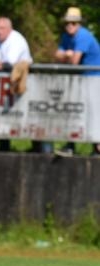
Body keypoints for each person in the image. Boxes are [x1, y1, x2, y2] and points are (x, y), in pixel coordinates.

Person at [54, 7, 100, 157]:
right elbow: (57, 55)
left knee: (93, 114)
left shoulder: (83, 36)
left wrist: (67, 55)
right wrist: (68, 55)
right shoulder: (67, 36)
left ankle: (97, 148)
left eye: (73, 22)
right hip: (82, 80)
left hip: (95, 79)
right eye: (67, 22)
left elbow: (74, 61)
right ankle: (71, 145)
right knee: (74, 112)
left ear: (79, 23)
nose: (70, 25)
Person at [0, 17, 32, 152]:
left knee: (27, 121)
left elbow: (11, 60)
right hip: (3, 90)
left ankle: (38, 148)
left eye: (1, 28)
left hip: (22, 87)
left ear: (10, 29)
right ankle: (1, 147)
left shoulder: (17, 39)